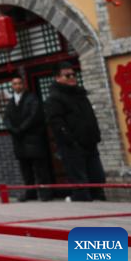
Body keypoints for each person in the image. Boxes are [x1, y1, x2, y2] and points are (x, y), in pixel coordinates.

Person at [44, 63, 106, 202]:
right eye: (67, 75)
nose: (72, 77)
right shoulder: (54, 98)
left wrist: (96, 135)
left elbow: (90, 117)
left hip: (90, 142)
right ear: (58, 78)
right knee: (80, 180)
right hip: (72, 145)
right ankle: (83, 203)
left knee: (97, 176)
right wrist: (70, 141)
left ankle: (99, 199)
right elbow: (56, 123)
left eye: (73, 74)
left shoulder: (80, 94)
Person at [4, 76, 53, 202]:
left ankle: (45, 193)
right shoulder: (11, 102)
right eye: (14, 84)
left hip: (33, 138)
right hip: (19, 140)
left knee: (40, 168)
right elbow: (6, 118)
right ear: (12, 86)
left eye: (19, 83)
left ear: (24, 84)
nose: (17, 86)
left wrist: (21, 128)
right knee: (25, 169)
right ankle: (30, 192)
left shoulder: (32, 98)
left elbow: (34, 116)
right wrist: (12, 129)